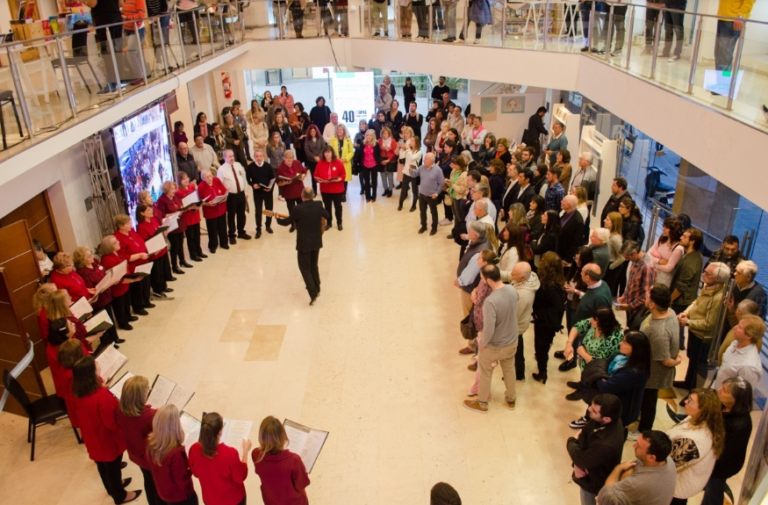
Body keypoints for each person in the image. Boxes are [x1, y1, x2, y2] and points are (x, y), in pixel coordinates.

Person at [71, 356, 142, 504]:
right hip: (107, 441)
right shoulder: (102, 397)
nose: (98, 364)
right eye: (95, 365)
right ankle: (119, 495)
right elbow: (112, 423)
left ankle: (111, 488)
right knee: (113, 468)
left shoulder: (79, 392)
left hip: (92, 437)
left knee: (102, 466)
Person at [462, 264, 520, 413]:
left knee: (485, 372)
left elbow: (489, 328)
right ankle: (511, 398)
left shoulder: (490, 301)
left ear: (488, 280)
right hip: (512, 341)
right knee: (509, 370)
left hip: (494, 345)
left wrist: (482, 343)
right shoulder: (512, 290)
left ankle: (482, 403)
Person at [630, 285, 681, 439]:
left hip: (653, 374)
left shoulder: (659, 331)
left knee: (648, 402)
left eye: (647, 297)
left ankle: (644, 430)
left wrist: (677, 361)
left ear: (652, 304)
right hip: (644, 365)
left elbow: (665, 361)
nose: (644, 298)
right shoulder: (668, 312)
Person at [675, 262, 729, 392]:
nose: (703, 274)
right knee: (692, 360)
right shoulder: (708, 286)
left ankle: (695, 392)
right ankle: (688, 383)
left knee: (699, 365)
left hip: (703, 337)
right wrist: (686, 312)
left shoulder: (718, 297)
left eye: (707, 273)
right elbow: (696, 302)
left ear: (717, 278)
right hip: (694, 332)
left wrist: (688, 322)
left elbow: (709, 324)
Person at [667, 389, 725, 504]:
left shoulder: (693, 441)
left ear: (703, 409)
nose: (685, 402)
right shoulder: (699, 420)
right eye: (688, 398)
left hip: (675, 488)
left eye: (691, 401)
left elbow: (669, 463)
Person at [701, 378, 753, 505]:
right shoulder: (723, 405)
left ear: (735, 399)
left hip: (722, 466)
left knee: (713, 491)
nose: (719, 390)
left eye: (724, 391)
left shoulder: (739, 425)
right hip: (714, 459)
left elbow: (723, 453)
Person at [566, 393, 625, 505]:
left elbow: (580, 457)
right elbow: (584, 432)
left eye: (593, 410)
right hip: (590, 467)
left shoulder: (605, 445)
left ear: (607, 419)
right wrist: (579, 463)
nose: (589, 409)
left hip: (593, 483)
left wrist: (571, 441)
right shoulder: (603, 420)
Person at [276, 188, 330, 305]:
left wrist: (277, 219)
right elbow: (327, 215)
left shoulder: (297, 209)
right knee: (313, 265)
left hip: (304, 243)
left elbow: (287, 222)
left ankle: (313, 292)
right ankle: (317, 286)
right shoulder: (318, 204)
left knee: (304, 267)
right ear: (313, 195)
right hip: (316, 240)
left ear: (302, 196)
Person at [114, 376, 163, 505]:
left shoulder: (119, 410)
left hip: (136, 454)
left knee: (147, 480)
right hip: (151, 458)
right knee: (158, 486)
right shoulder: (150, 416)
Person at [598, 430, 677, 505]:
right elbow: (635, 464)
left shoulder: (637, 484)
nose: (633, 445)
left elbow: (605, 498)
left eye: (638, 446)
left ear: (651, 457)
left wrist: (618, 468)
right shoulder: (668, 460)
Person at [189, 412, 250, 505]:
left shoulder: (194, 449)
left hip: (210, 500)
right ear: (220, 432)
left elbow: (196, 473)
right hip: (233, 501)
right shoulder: (230, 454)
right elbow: (240, 477)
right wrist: (245, 451)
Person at [251, 416, 311, 505]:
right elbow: (302, 484)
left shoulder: (256, 454)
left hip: (271, 501)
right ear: (283, 436)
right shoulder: (294, 460)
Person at [147, 405, 198, 505]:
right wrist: (191, 468)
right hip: (181, 497)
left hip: (164, 492)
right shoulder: (175, 454)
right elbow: (183, 481)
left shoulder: (150, 444)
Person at [73, 246, 123, 348]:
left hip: (106, 294)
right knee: (102, 322)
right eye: (88, 256)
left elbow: (103, 271)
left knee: (110, 317)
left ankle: (115, 338)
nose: (92, 256)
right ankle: (108, 343)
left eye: (91, 253)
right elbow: (89, 286)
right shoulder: (82, 272)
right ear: (82, 259)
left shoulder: (95, 262)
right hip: (98, 300)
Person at [670, 228, 704, 349]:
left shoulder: (690, 261)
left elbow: (682, 285)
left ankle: (677, 346)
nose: (681, 238)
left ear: (692, 241)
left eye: (684, 236)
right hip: (685, 298)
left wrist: (671, 299)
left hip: (682, 299)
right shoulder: (693, 255)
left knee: (676, 325)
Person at [114, 214, 154, 315]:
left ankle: (146, 301)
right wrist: (139, 255)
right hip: (133, 265)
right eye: (127, 223)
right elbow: (124, 256)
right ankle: (138, 307)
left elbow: (139, 242)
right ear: (120, 226)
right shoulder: (118, 238)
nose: (130, 224)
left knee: (145, 283)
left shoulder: (131, 231)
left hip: (143, 261)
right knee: (137, 287)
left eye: (130, 222)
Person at [711, 315, 764, 390]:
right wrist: (713, 387)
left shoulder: (749, 367)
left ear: (749, 335)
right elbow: (723, 371)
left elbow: (742, 395)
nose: (734, 327)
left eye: (739, 327)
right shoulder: (735, 343)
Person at [99, 235, 139, 330]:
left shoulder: (117, 253)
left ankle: (128, 316)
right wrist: (132, 280)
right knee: (119, 305)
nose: (118, 242)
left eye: (117, 240)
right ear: (109, 246)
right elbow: (114, 276)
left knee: (126, 301)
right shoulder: (107, 259)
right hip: (117, 286)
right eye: (115, 242)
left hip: (125, 283)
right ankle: (123, 322)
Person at [616, 240, 657, 330]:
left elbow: (647, 294)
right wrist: (624, 296)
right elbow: (631, 282)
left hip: (638, 309)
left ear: (634, 253)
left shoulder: (647, 267)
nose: (626, 260)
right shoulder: (635, 261)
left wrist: (630, 306)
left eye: (627, 257)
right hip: (631, 304)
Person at [156, 181, 191, 275]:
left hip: (180, 222)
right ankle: (174, 265)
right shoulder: (161, 200)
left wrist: (183, 209)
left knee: (181, 243)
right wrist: (170, 214)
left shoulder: (176, 196)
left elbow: (180, 205)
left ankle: (182, 260)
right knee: (175, 245)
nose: (174, 190)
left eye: (174, 188)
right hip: (172, 226)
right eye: (172, 189)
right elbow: (160, 214)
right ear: (166, 189)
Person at [218, 149, 251, 244]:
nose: (232, 158)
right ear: (224, 158)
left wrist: (245, 192)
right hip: (230, 196)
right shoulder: (222, 169)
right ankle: (232, 235)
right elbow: (220, 184)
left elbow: (244, 179)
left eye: (233, 156)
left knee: (241, 214)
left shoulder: (238, 165)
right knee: (231, 216)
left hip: (241, 194)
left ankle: (241, 232)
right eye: (229, 156)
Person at [714, 0, 756, 73]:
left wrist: (741, 15)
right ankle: (721, 81)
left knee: (724, 57)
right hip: (724, 17)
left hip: (732, 19)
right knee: (719, 55)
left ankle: (724, 82)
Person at [246, 149, 276, 239]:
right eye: (257, 156)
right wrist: (252, 185)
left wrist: (270, 188)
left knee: (269, 210)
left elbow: (273, 179)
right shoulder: (250, 167)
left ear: (263, 157)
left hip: (267, 192)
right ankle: (258, 229)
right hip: (257, 193)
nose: (259, 158)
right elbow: (247, 179)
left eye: (260, 156)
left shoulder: (268, 166)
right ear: (254, 157)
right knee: (258, 211)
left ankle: (268, 226)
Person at [314, 146, 346, 231]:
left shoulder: (338, 162)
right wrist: (318, 179)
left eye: (329, 152)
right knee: (327, 207)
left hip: (337, 189)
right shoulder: (320, 163)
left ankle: (339, 222)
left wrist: (339, 179)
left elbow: (343, 174)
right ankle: (329, 222)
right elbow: (316, 175)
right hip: (325, 189)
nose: (327, 154)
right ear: (323, 154)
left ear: (332, 153)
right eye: (325, 152)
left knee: (338, 206)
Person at [198, 169, 229, 252]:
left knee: (222, 227)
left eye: (210, 175)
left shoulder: (216, 180)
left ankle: (224, 243)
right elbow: (200, 202)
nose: (210, 178)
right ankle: (213, 245)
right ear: (203, 178)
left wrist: (224, 198)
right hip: (210, 212)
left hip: (221, 208)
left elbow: (224, 191)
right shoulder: (201, 186)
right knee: (212, 229)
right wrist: (207, 204)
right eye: (207, 177)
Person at [176, 172, 205, 262]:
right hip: (188, 216)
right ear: (180, 181)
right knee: (190, 236)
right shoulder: (179, 192)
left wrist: (198, 205)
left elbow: (197, 198)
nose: (186, 180)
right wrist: (190, 207)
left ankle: (199, 251)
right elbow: (181, 205)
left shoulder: (192, 187)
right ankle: (193, 254)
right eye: (183, 179)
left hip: (195, 213)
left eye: (187, 178)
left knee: (197, 234)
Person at [648, 216, 685, 287]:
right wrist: (659, 261)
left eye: (667, 228)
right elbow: (648, 253)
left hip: (664, 279)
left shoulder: (678, 248)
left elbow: (668, 268)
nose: (663, 229)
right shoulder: (661, 238)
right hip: (652, 274)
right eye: (663, 226)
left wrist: (653, 263)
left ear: (674, 230)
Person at [414, 152, 444, 235]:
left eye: (426, 158)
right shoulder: (422, 168)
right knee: (422, 211)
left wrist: (436, 194)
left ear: (431, 160)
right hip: (422, 195)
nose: (424, 160)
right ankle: (423, 226)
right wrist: (411, 170)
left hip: (432, 196)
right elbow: (415, 174)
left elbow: (441, 183)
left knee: (433, 212)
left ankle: (434, 227)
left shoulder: (438, 170)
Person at [277, 150, 308, 227]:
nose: (289, 160)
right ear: (284, 158)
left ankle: (302, 223)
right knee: (291, 209)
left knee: (301, 208)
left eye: (291, 158)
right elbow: (278, 182)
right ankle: (293, 224)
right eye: (287, 158)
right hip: (288, 192)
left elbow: (304, 171)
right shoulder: (280, 168)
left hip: (299, 190)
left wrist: (303, 176)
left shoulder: (297, 163)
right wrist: (284, 183)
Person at [558, 195, 585, 268]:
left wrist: (568, 258)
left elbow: (576, 242)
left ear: (568, 205)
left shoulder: (577, 221)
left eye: (563, 201)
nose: (561, 202)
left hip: (565, 256)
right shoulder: (565, 213)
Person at [398, 136, 423, 212]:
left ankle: (414, 206)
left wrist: (408, 149)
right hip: (406, 172)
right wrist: (402, 148)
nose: (410, 142)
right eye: (410, 140)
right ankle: (400, 204)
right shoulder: (408, 150)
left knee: (414, 191)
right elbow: (401, 156)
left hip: (414, 173)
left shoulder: (419, 152)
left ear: (416, 142)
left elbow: (412, 158)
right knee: (403, 190)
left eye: (412, 141)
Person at [329, 124, 354, 198]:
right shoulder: (333, 140)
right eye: (338, 129)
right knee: (337, 179)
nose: (339, 131)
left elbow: (351, 152)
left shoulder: (348, 140)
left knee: (344, 179)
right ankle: (338, 194)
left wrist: (345, 158)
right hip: (336, 162)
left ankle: (344, 195)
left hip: (345, 162)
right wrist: (336, 159)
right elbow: (330, 151)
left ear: (344, 131)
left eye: (341, 129)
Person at [356, 129, 381, 202]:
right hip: (365, 164)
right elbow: (361, 154)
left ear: (373, 136)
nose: (368, 136)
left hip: (374, 164)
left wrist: (378, 163)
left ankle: (374, 197)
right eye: (367, 135)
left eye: (370, 135)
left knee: (374, 181)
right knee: (366, 181)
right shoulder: (362, 143)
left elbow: (378, 155)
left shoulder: (376, 144)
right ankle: (367, 197)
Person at [603, 211, 624, 294]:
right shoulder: (608, 233)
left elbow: (622, 257)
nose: (604, 221)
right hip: (607, 264)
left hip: (612, 266)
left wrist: (610, 267)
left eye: (607, 220)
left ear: (614, 223)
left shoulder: (615, 239)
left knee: (607, 288)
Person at [303, 124, 326, 194]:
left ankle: (323, 190)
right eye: (311, 131)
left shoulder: (321, 138)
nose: (313, 133)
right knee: (313, 176)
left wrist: (319, 157)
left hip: (320, 159)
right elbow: (306, 150)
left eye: (314, 131)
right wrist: (314, 157)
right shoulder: (307, 139)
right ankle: (314, 191)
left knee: (322, 175)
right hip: (311, 160)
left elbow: (323, 148)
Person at [379, 126, 398, 197]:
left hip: (390, 160)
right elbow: (377, 152)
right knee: (383, 177)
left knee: (390, 177)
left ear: (389, 134)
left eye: (386, 133)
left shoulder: (392, 140)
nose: (384, 135)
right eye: (383, 133)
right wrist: (381, 160)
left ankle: (390, 190)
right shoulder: (379, 140)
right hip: (382, 160)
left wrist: (388, 160)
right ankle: (385, 189)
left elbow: (394, 152)